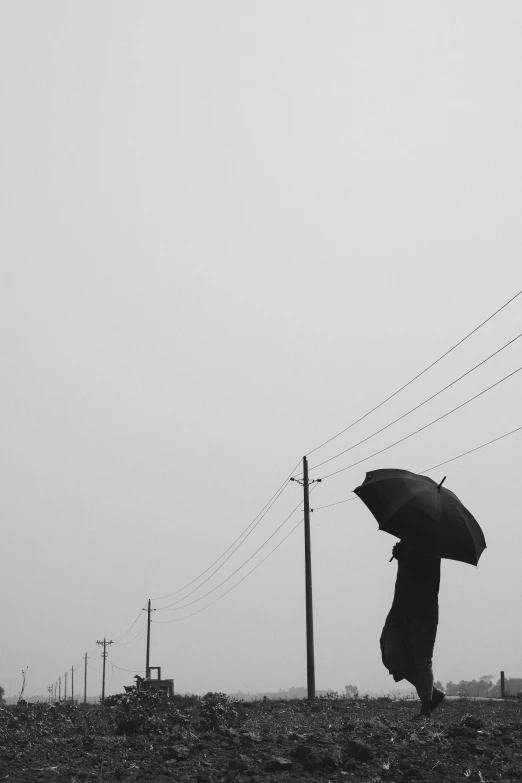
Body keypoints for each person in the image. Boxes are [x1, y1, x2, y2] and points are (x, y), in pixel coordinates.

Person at [380, 539, 445, 718]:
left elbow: (425, 575)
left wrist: (406, 555)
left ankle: (426, 708)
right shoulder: (408, 541)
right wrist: (402, 555)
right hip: (400, 609)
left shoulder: (431, 543)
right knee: (391, 654)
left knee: (422, 660)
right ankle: (431, 694)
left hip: (423, 612)